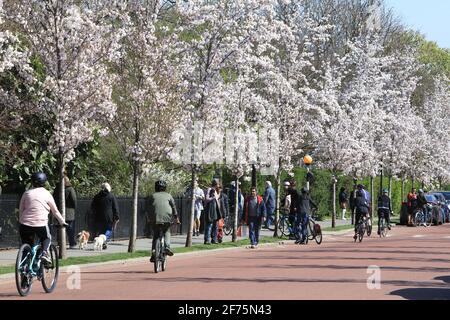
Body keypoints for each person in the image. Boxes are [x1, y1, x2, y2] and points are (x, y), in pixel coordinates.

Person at [19, 173, 68, 265]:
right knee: (46, 238)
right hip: (40, 224)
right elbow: (55, 211)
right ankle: (45, 253)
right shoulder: (47, 194)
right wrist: (62, 222)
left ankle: (24, 275)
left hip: (25, 225)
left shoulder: (26, 193)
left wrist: (21, 221)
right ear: (44, 182)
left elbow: (21, 209)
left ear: (32, 182)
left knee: (26, 246)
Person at [147, 180, 180, 262]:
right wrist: (176, 218)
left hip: (155, 218)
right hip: (167, 218)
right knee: (167, 231)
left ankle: (154, 253)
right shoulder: (169, 196)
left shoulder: (152, 196)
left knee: (156, 235)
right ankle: (167, 247)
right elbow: (173, 207)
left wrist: (149, 218)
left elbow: (148, 208)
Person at [90, 183, 120, 248]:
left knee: (101, 231)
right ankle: (104, 241)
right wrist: (117, 216)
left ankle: (101, 241)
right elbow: (115, 207)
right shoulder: (111, 196)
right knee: (109, 230)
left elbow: (93, 207)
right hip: (109, 217)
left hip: (99, 217)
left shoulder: (97, 196)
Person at [53, 176, 77, 249]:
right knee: (70, 229)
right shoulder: (70, 189)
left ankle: (59, 242)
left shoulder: (57, 189)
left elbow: (53, 199)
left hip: (59, 211)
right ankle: (72, 243)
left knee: (60, 227)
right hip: (69, 211)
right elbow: (74, 199)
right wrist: (74, 207)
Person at [204, 180, 222, 245]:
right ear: (215, 184)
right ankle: (207, 239)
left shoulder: (216, 191)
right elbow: (206, 199)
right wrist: (213, 197)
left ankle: (214, 239)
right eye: (218, 184)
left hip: (215, 210)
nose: (219, 185)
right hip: (210, 210)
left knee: (215, 225)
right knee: (209, 225)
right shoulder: (210, 189)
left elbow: (217, 200)